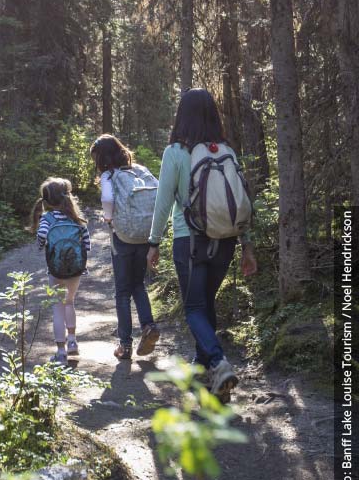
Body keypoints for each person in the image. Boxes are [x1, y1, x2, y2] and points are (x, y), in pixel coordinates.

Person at [147, 88, 257, 400]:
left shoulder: (176, 152)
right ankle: (205, 369)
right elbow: (242, 202)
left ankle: (219, 362)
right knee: (205, 303)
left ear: (182, 115)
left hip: (190, 241)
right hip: (225, 241)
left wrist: (153, 242)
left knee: (194, 306)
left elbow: (163, 201)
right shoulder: (226, 150)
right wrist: (246, 245)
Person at [90, 134, 160, 360]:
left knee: (122, 291)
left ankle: (125, 345)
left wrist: (108, 219)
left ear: (102, 157)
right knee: (138, 284)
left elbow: (108, 200)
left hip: (123, 237)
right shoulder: (139, 170)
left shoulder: (110, 175)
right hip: (145, 235)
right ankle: (148, 326)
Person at [28, 177, 91, 364]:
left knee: (57, 307)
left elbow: (41, 237)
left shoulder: (47, 219)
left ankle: (61, 352)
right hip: (75, 270)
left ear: (46, 201)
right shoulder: (76, 218)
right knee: (70, 302)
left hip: (55, 270)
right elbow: (87, 243)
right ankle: (72, 342)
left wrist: (43, 245)